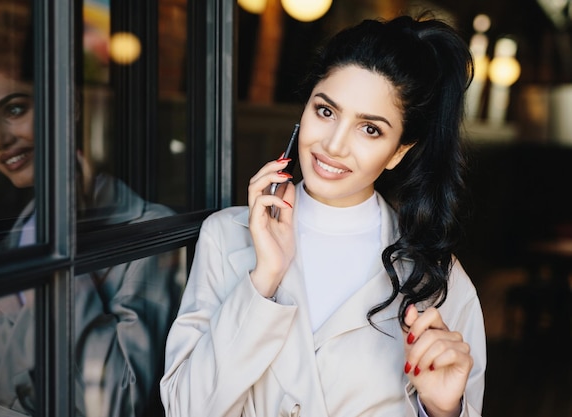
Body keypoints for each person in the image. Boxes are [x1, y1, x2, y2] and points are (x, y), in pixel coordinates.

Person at [160, 14, 486, 417]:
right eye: (326, 111)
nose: (333, 145)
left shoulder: (439, 281)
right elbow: (185, 409)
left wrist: (444, 411)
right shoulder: (226, 236)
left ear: (399, 151)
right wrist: (264, 281)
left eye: (370, 130)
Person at [0, 65, 182, 417]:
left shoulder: (151, 231)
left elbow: (118, 401)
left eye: (14, 110)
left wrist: (66, 250)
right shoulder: (15, 236)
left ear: (68, 104)